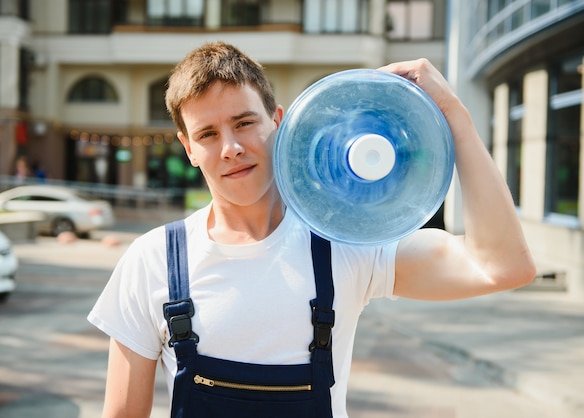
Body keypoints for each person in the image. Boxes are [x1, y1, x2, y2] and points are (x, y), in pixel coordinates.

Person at [88, 41, 535, 418]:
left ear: (279, 121)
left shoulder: (346, 242)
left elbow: (503, 267)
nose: (231, 148)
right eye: (207, 134)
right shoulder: (153, 262)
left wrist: (455, 114)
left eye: (244, 123)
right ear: (188, 147)